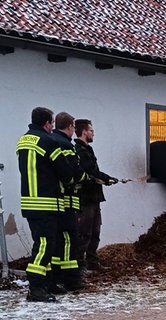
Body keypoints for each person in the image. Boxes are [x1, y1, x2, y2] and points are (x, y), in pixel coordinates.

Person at [16, 107, 86, 302]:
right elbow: (66, 173)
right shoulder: (48, 142)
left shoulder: (23, 140)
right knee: (45, 245)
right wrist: (75, 179)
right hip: (47, 203)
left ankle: (47, 284)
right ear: (46, 123)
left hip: (29, 202)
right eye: (52, 124)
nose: (53, 127)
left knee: (44, 243)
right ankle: (36, 288)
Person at [50, 112, 89, 292]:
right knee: (68, 240)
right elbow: (74, 172)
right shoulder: (65, 145)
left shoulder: (51, 141)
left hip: (56, 201)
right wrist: (85, 177)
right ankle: (71, 279)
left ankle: (57, 276)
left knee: (59, 240)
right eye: (73, 127)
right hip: (67, 201)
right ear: (70, 127)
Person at [74, 119, 118, 273]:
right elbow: (91, 171)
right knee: (84, 232)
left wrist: (106, 179)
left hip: (94, 197)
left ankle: (92, 261)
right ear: (84, 132)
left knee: (95, 232)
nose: (93, 133)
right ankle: (80, 264)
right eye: (91, 130)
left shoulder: (87, 149)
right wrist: (107, 178)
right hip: (86, 198)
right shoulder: (80, 150)